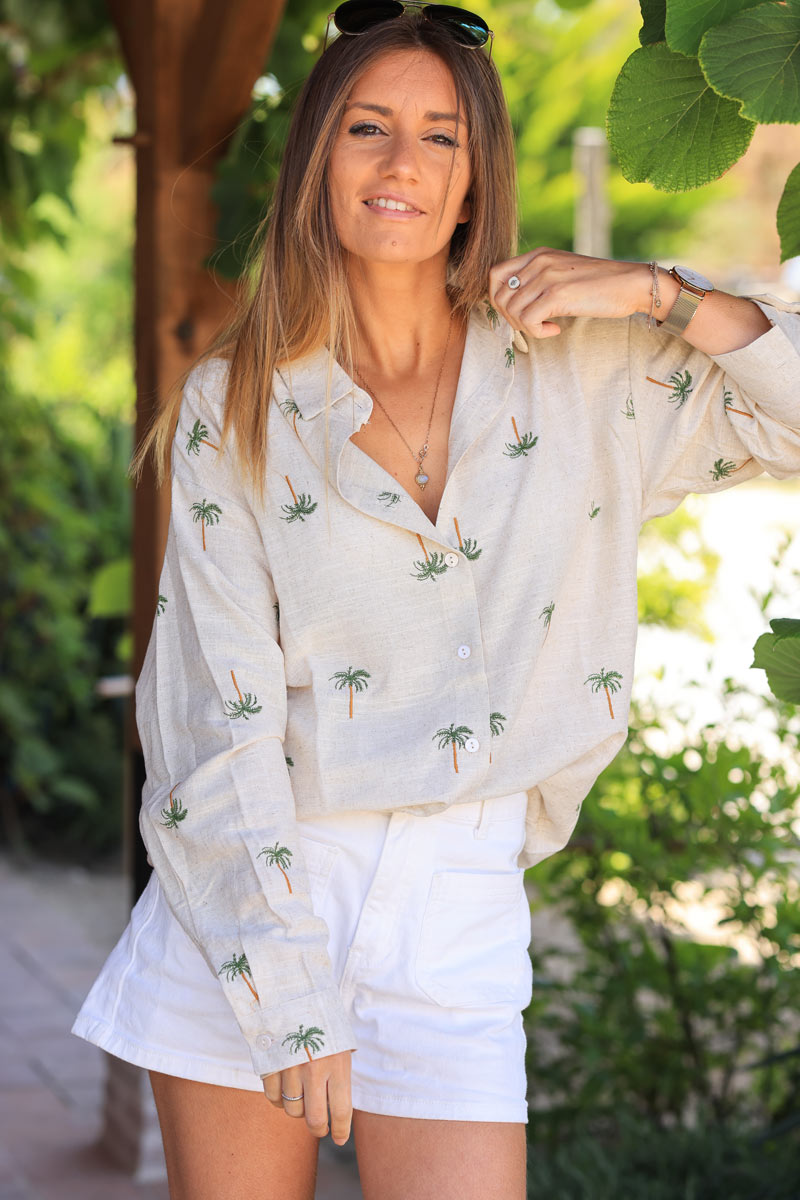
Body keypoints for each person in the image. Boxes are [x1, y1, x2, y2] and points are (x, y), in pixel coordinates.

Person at [71, 3, 800, 1198]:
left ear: (474, 180)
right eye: (366, 128)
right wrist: (288, 992)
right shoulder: (237, 405)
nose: (401, 163)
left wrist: (662, 294)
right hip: (257, 893)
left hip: (458, 909)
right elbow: (213, 716)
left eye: (439, 136)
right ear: (318, 164)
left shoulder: (587, 369)